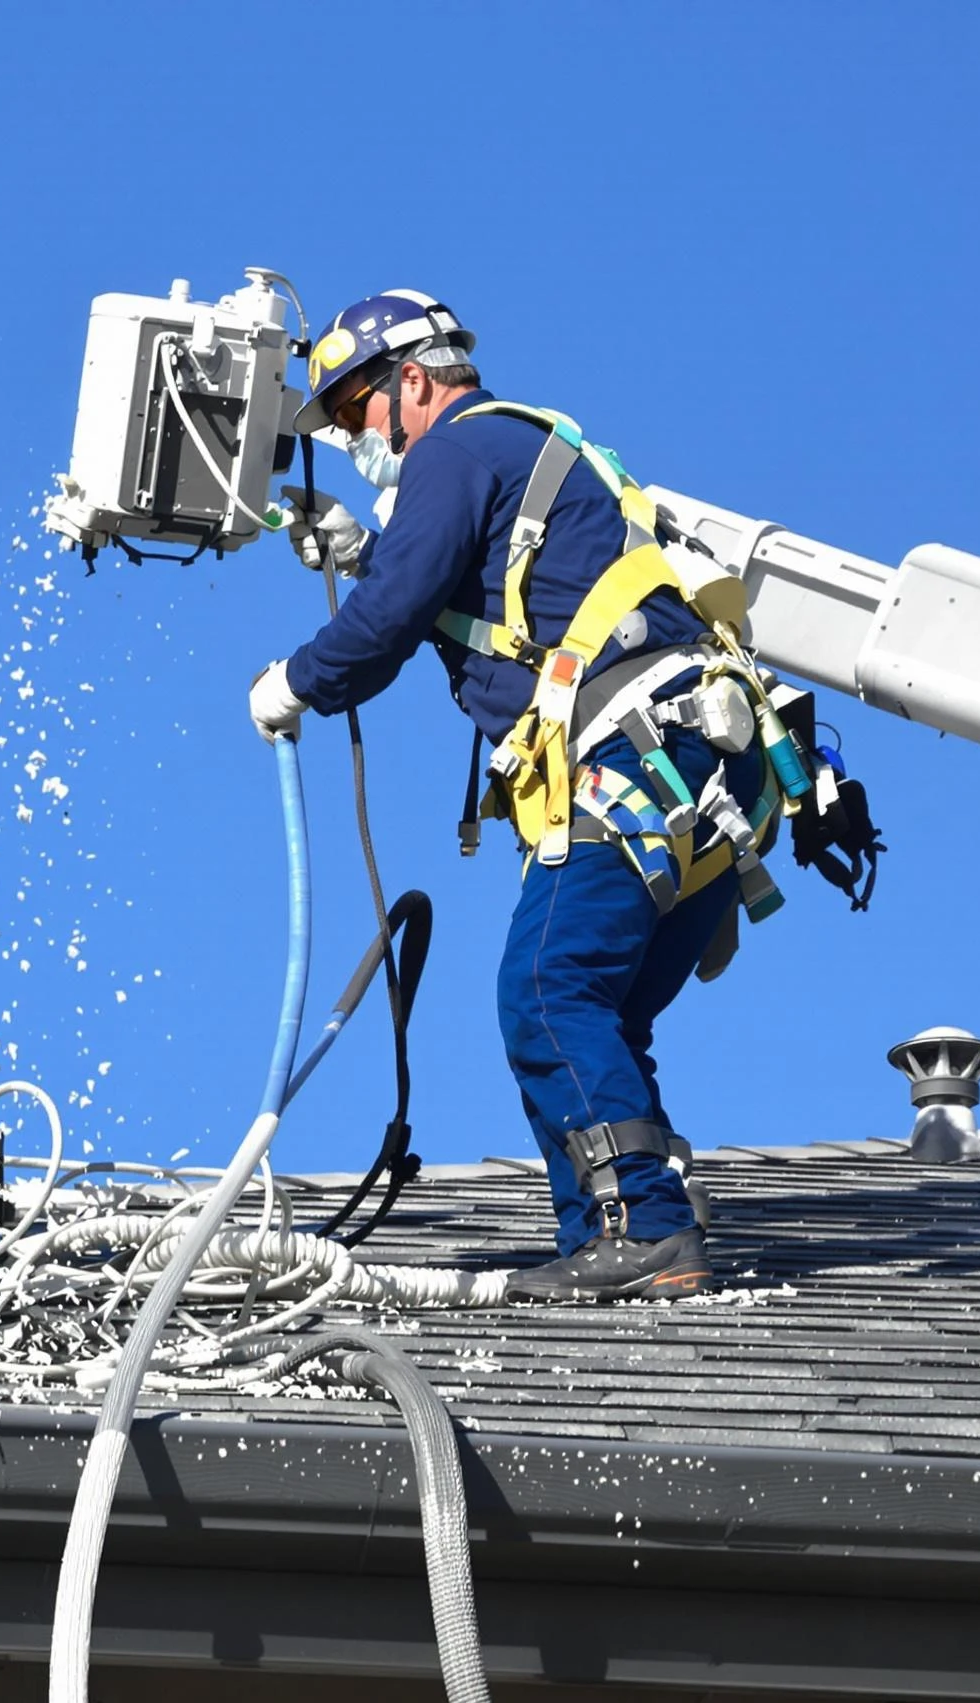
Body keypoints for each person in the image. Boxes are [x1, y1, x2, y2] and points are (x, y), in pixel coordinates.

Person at [247, 290, 773, 1303]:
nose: (354, 437)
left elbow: (391, 619)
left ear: (410, 379)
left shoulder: (452, 449)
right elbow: (484, 597)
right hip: (707, 769)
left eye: (355, 410)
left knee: (546, 990)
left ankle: (642, 1226)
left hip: (634, 758)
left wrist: (296, 682)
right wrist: (364, 551)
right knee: (597, 1012)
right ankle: (627, 1232)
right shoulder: (520, 448)